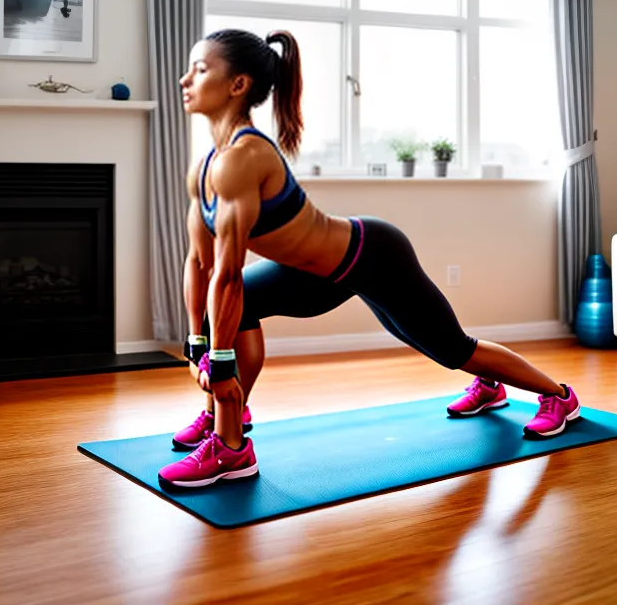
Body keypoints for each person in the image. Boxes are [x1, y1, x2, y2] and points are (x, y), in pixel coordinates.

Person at [157, 28, 581, 490]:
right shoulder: (203, 168)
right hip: (313, 274)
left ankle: (558, 397)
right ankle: (228, 435)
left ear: (238, 85)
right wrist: (197, 340)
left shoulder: (244, 158)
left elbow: (228, 273)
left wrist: (217, 360)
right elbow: (199, 264)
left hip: (370, 257)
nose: (185, 79)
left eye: (200, 70)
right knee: (239, 313)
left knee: (452, 349)